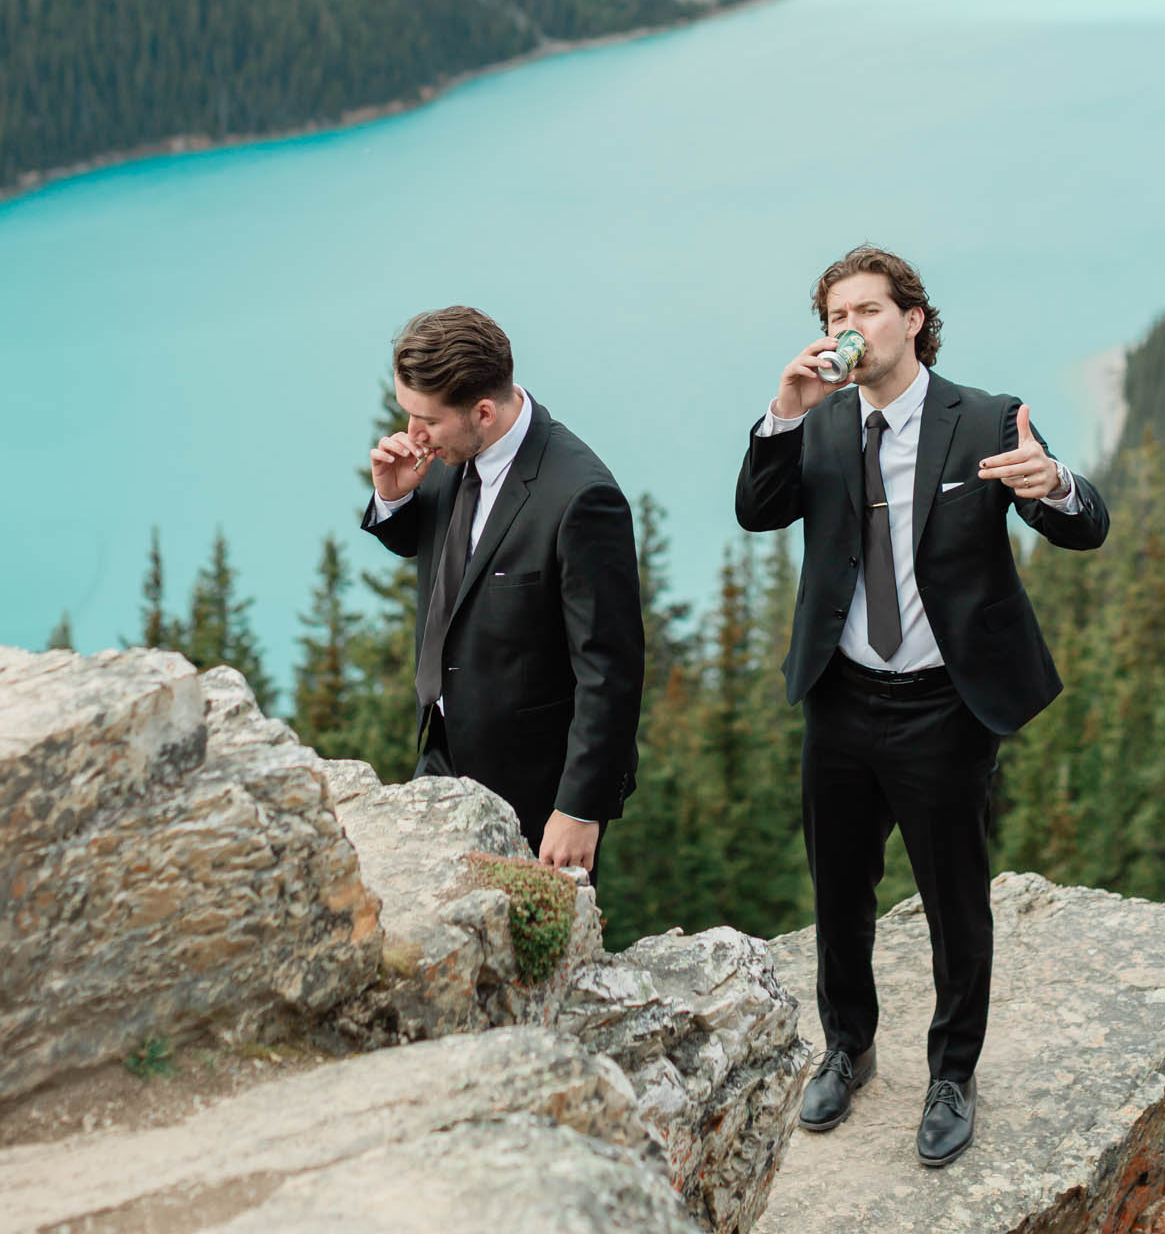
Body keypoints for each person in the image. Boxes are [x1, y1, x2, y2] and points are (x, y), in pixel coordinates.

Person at [736, 246, 1109, 1166]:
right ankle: (847, 1048)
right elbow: (754, 510)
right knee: (839, 892)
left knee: (952, 899)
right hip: (839, 695)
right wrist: (784, 412)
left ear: (911, 319)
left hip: (943, 704)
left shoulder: (981, 417)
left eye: (866, 310)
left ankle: (951, 1072)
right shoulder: (818, 424)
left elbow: (1085, 524)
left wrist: (1053, 484)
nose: (848, 330)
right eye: (835, 317)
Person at [363, 304, 644, 874]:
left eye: (427, 420)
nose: (411, 435)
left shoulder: (581, 496)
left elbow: (609, 669)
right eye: (407, 414)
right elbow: (456, 567)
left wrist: (579, 808)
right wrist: (394, 500)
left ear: (484, 411)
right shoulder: (449, 451)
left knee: (538, 957)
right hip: (443, 751)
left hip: (538, 791)